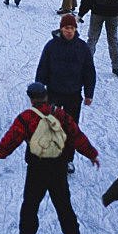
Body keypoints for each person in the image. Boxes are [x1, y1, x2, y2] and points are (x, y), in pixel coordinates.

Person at [0, 82, 99, 234]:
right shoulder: (61, 115)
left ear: (31, 99)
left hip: (36, 167)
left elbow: (12, 138)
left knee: (30, 204)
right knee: (63, 204)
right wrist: (91, 154)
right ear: (46, 97)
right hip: (58, 166)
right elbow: (76, 136)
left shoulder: (27, 117)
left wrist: (0, 153)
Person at [35, 13, 96, 173]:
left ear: (75, 29)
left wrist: (89, 94)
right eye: (66, 28)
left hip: (73, 94)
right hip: (54, 93)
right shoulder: (51, 46)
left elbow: (89, 72)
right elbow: (42, 69)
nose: (69, 31)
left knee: (70, 128)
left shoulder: (82, 48)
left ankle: (68, 159)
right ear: (61, 29)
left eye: (72, 28)